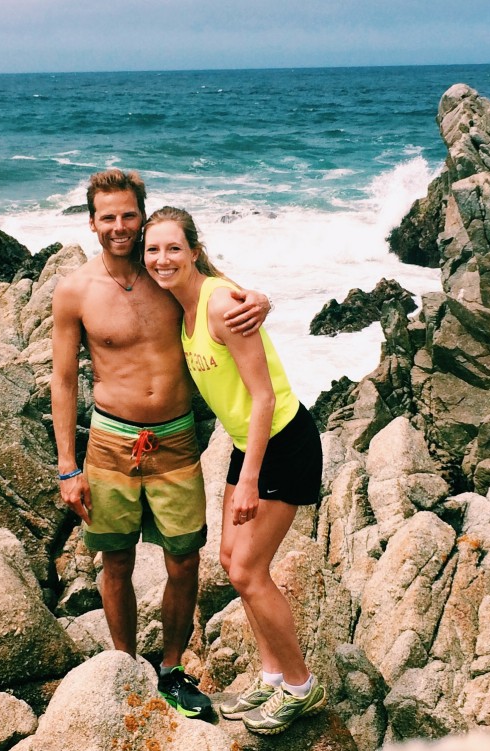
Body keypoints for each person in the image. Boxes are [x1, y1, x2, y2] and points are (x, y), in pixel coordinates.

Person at [51, 169, 271, 719]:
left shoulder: (169, 273)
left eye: (130, 215)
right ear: (92, 221)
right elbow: (62, 380)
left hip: (175, 438)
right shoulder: (75, 289)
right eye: (108, 217)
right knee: (116, 560)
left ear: (143, 216)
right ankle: (126, 665)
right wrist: (66, 467)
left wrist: (261, 299)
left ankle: (171, 670)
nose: (120, 227)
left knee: (183, 560)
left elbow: (227, 294)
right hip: (108, 442)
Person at [142, 205, 326, 736]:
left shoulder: (220, 304)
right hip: (252, 443)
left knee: (248, 570)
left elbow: (264, 396)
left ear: (194, 250)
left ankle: (299, 686)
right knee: (230, 560)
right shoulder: (187, 300)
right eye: (154, 249)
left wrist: (248, 478)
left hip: (283, 442)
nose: (162, 258)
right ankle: (271, 677)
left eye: (173, 248)